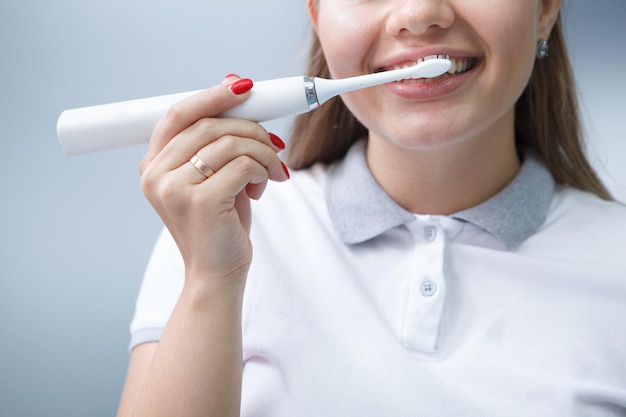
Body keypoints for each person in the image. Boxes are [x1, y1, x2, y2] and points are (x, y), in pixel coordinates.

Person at [116, 0, 626, 415]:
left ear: (544, 10)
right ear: (318, 17)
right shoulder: (226, 229)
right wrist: (211, 276)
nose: (421, 13)